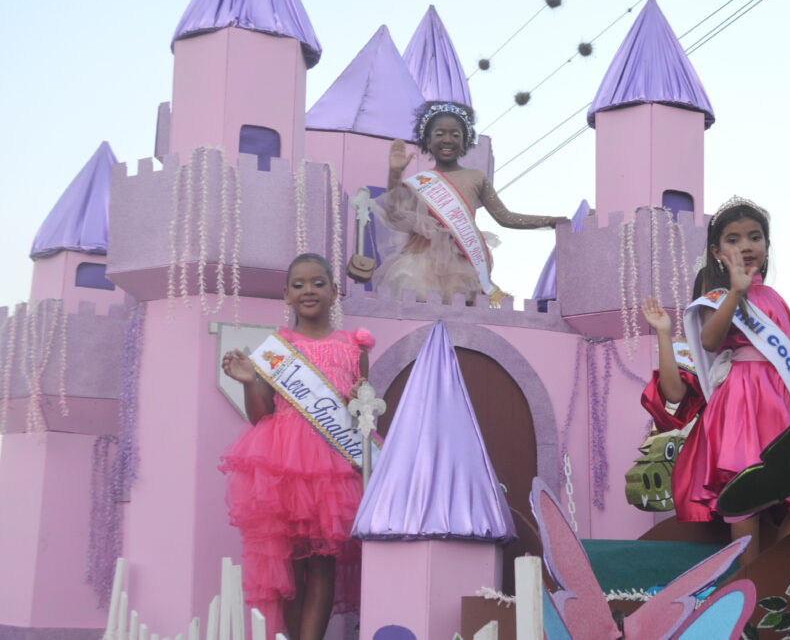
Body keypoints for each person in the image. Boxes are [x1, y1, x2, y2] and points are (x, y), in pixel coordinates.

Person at [220, 253, 373, 640]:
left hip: (332, 469)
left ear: (334, 292)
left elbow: (365, 418)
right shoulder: (277, 347)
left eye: (319, 283)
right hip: (284, 467)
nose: (309, 290)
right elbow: (261, 416)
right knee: (289, 566)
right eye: (300, 284)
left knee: (323, 563)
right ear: (286, 294)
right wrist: (247, 382)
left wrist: (359, 398)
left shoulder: (353, 347)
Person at [671, 197, 790, 563]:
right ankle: (749, 579)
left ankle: (771, 565)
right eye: (733, 238)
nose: (745, 246)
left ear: (767, 245)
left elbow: (780, 357)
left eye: (755, 237)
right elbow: (710, 341)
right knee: (747, 490)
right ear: (716, 249)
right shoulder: (718, 298)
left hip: (779, 401)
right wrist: (737, 293)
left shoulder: (775, 298)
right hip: (741, 401)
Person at [373, 100, 567, 305]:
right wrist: (395, 174)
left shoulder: (476, 177)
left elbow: (505, 217)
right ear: (428, 141)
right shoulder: (421, 182)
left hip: (461, 260)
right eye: (439, 134)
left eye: (455, 134)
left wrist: (549, 220)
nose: (447, 139)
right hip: (420, 259)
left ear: (465, 141)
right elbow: (395, 215)